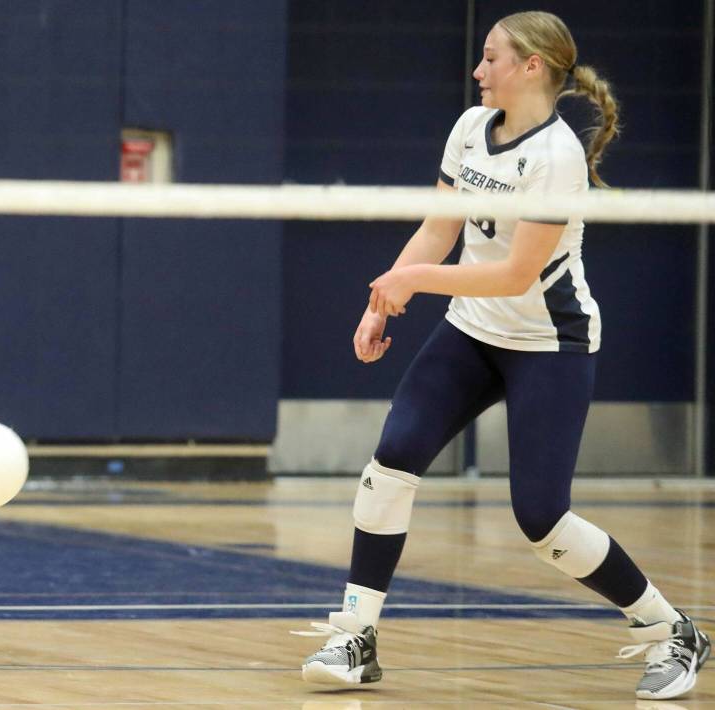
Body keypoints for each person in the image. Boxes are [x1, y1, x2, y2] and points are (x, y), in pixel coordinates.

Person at [296, 11, 709, 702]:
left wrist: (415, 282)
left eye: (491, 59)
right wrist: (381, 301)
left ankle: (672, 630)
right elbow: (439, 228)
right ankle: (356, 636)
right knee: (393, 458)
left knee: (541, 517)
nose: (478, 71)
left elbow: (516, 275)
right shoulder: (468, 128)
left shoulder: (557, 158)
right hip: (472, 330)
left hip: (549, 341)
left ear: (532, 68)